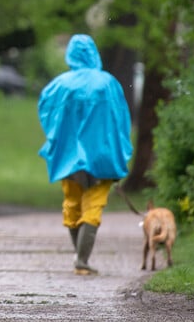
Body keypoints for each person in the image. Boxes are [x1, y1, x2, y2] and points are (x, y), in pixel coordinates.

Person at [37, 34, 132, 275]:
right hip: (102, 157)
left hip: (68, 159)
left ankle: (79, 256)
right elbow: (121, 120)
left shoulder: (59, 85)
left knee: (72, 204)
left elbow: (46, 114)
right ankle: (82, 259)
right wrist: (120, 152)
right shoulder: (108, 83)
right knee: (93, 205)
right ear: (94, 53)